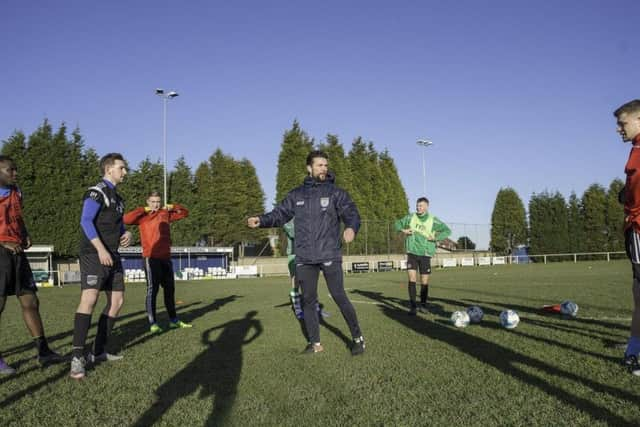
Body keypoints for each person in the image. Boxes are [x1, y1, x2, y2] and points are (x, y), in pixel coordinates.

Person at [248, 150, 365, 355]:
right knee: (308, 300)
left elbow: (351, 213)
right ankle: (315, 343)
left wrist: (351, 228)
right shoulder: (296, 195)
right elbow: (280, 214)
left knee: (339, 296)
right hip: (304, 257)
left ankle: (357, 338)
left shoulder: (336, 193)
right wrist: (261, 220)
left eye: (325, 165)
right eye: (319, 165)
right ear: (309, 168)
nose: (324, 169)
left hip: (329, 254)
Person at [70, 153, 133, 380]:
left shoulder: (119, 198)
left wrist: (127, 234)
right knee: (89, 299)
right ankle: (77, 357)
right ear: (109, 169)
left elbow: (120, 226)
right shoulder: (96, 192)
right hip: (94, 254)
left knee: (117, 302)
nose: (125, 172)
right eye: (122, 168)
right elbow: (85, 221)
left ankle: (98, 351)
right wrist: (101, 249)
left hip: (113, 256)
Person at [0, 155, 62, 375]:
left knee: (30, 300)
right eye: (10, 170)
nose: (15, 174)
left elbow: (18, 218)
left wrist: (24, 234)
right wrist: (2, 241)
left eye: (15, 169)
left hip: (17, 252)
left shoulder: (17, 192)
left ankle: (43, 351)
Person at [123, 191, 192, 333]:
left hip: (166, 258)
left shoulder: (165, 213)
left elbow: (185, 213)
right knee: (152, 291)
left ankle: (174, 321)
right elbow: (126, 219)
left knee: (169, 291)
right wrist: (143, 209)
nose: (156, 204)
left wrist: (173, 206)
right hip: (150, 258)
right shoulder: (143, 216)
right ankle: (153, 323)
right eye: (153, 202)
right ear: (148, 202)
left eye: (158, 201)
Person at [615, 99, 640, 376]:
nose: (619, 129)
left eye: (623, 123)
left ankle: (634, 351)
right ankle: (633, 350)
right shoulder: (636, 149)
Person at [394, 197, 451, 315]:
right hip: (412, 252)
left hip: (425, 254)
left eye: (420, 206)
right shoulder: (410, 217)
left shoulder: (433, 220)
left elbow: (447, 230)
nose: (418, 207)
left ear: (426, 207)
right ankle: (413, 307)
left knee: (424, 281)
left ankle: (423, 305)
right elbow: (397, 224)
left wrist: (435, 238)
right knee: (412, 278)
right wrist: (404, 230)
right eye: (417, 205)